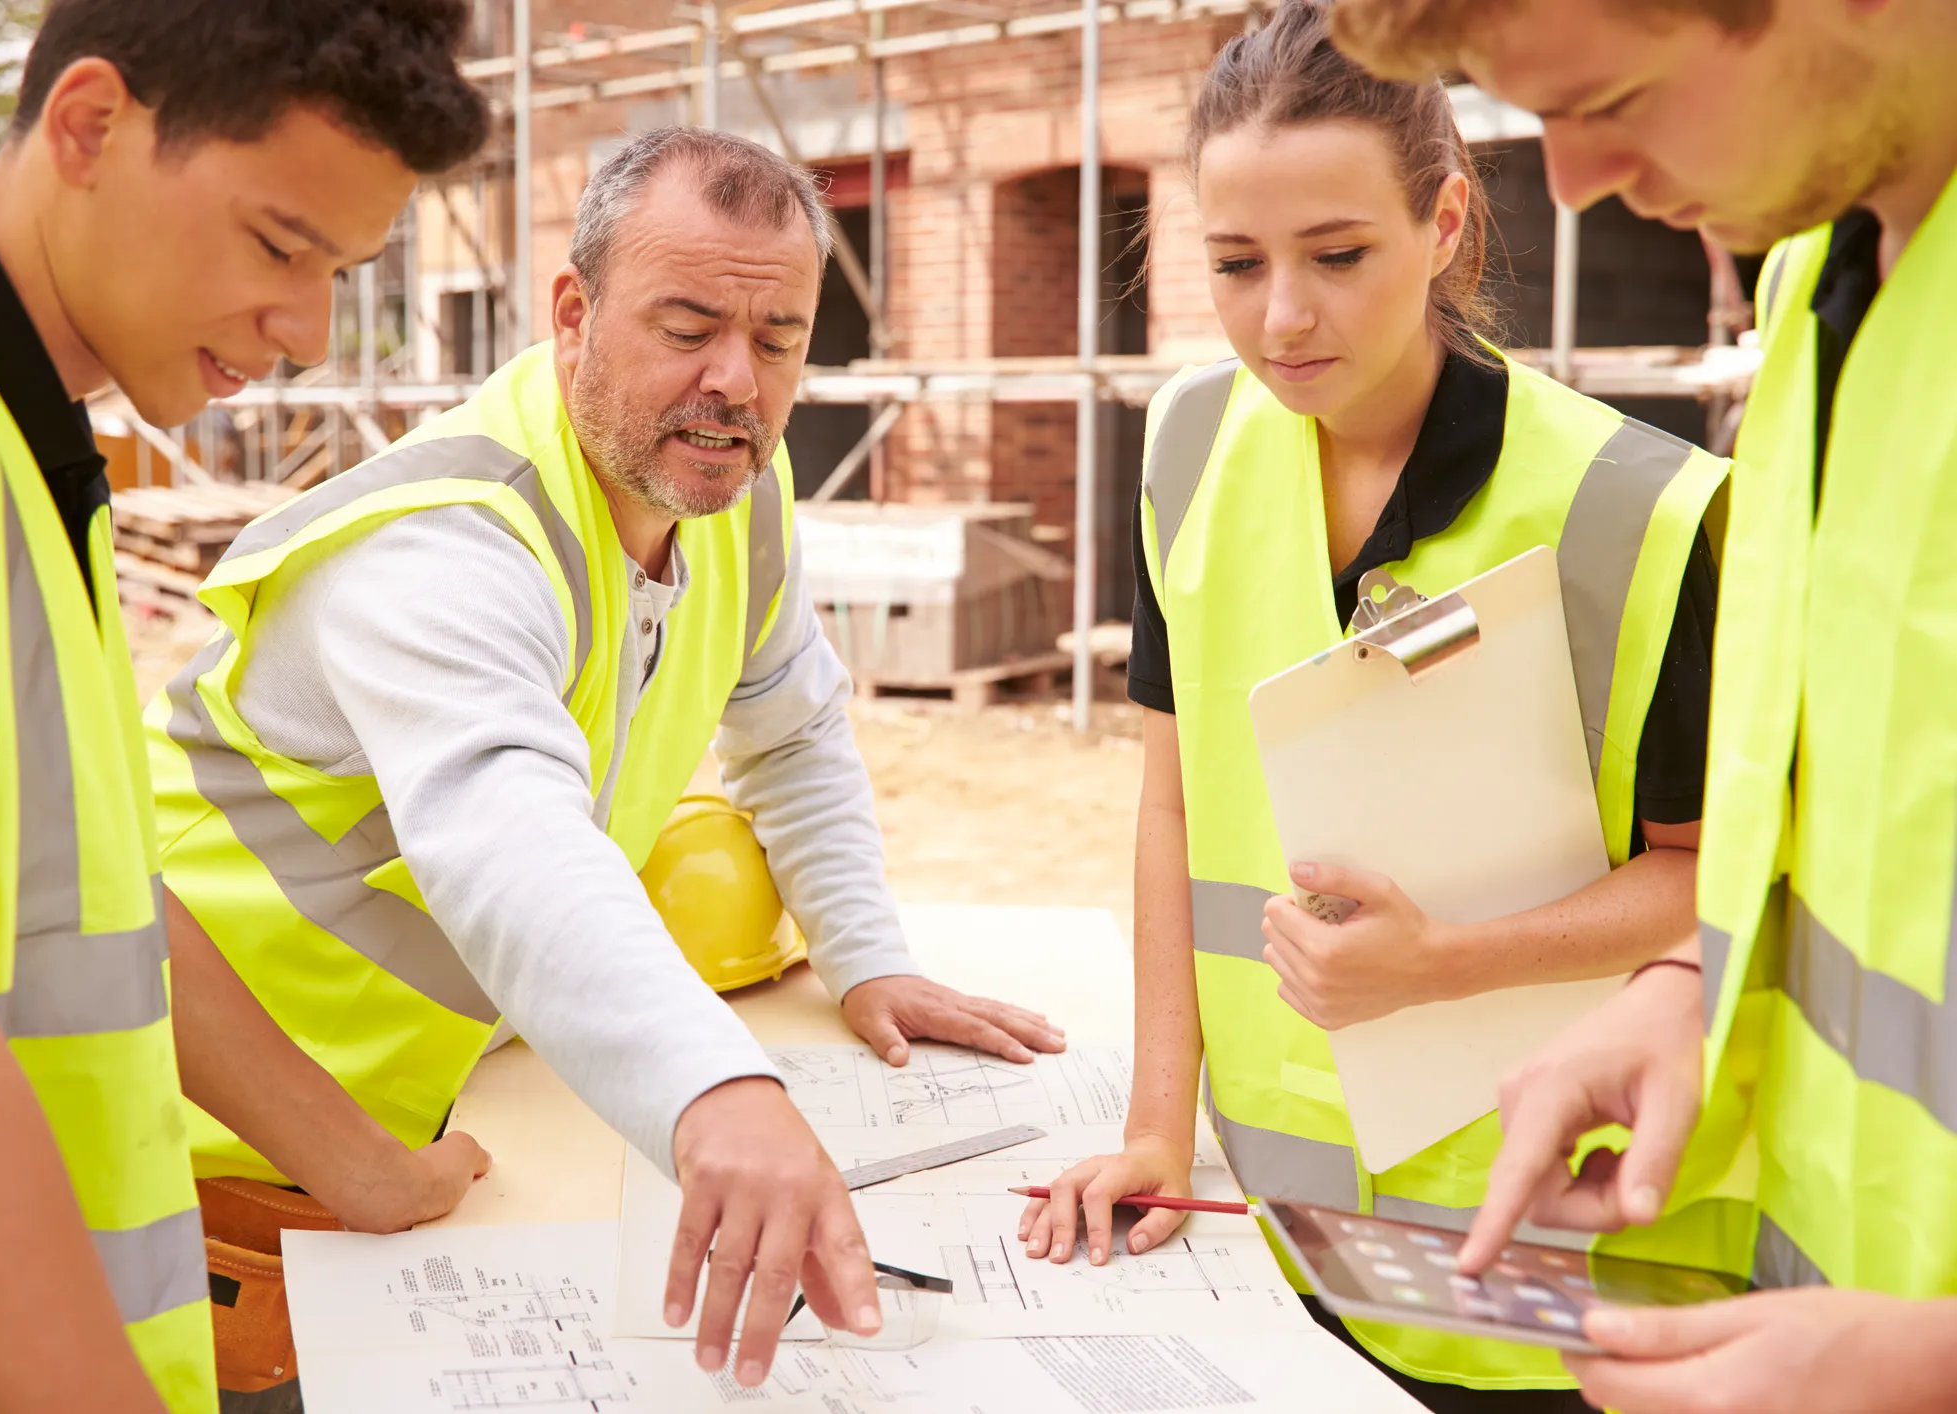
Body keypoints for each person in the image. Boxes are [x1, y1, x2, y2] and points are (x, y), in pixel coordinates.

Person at [144, 124, 1066, 1395]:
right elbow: (508, 841)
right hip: (204, 1153)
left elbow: (791, 727)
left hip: (418, 1133)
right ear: (573, 315)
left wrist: (867, 955)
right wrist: (718, 1096)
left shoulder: (734, 486)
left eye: (780, 340)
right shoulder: (444, 545)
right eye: (686, 328)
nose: (737, 381)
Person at [1015, 6, 1744, 1410]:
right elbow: (1170, 804)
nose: (1282, 317)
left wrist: (1444, 961)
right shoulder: (1183, 445)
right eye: (1234, 264)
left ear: (1446, 223)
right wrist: (1158, 1127)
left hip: (1542, 1266)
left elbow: (1709, 878)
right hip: (1273, 1250)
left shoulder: (1636, 512)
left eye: (1338, 257)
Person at [0, 2, 490, 1409]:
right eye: (277, 244)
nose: (307, 329)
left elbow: (101, 898)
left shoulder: (10, 427)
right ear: (89, 126)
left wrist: (358, 1168)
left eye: (345, 271)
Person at [1319, 0, 1957, 1410]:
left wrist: (1929, 1364)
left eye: (1611, 96)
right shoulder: (1814, 295)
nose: (1569, 184)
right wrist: (1686, 989)